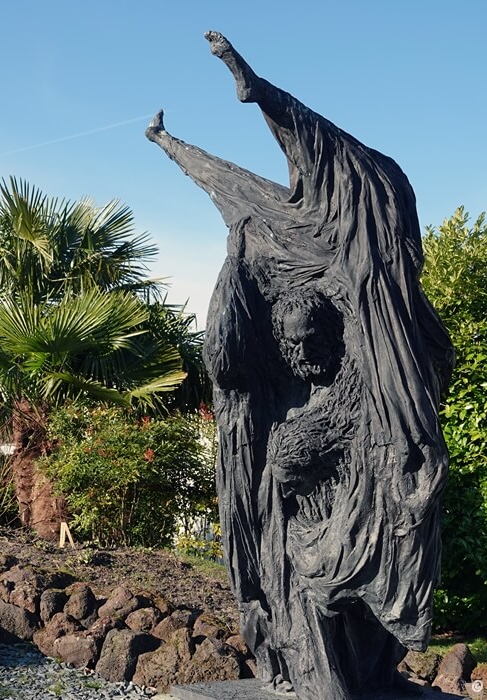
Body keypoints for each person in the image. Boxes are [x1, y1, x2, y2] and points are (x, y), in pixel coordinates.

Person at [147, 32, 453, 700]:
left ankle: (343, 671)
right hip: (296, 536)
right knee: (293, 580)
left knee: (321, 589)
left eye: (312, 340)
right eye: (293, 345)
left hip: (343, 532)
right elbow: (225, 186)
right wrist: (170, 146)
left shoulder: (366, 378)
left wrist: (258, 91)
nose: (303, 353)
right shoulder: (283, 391)